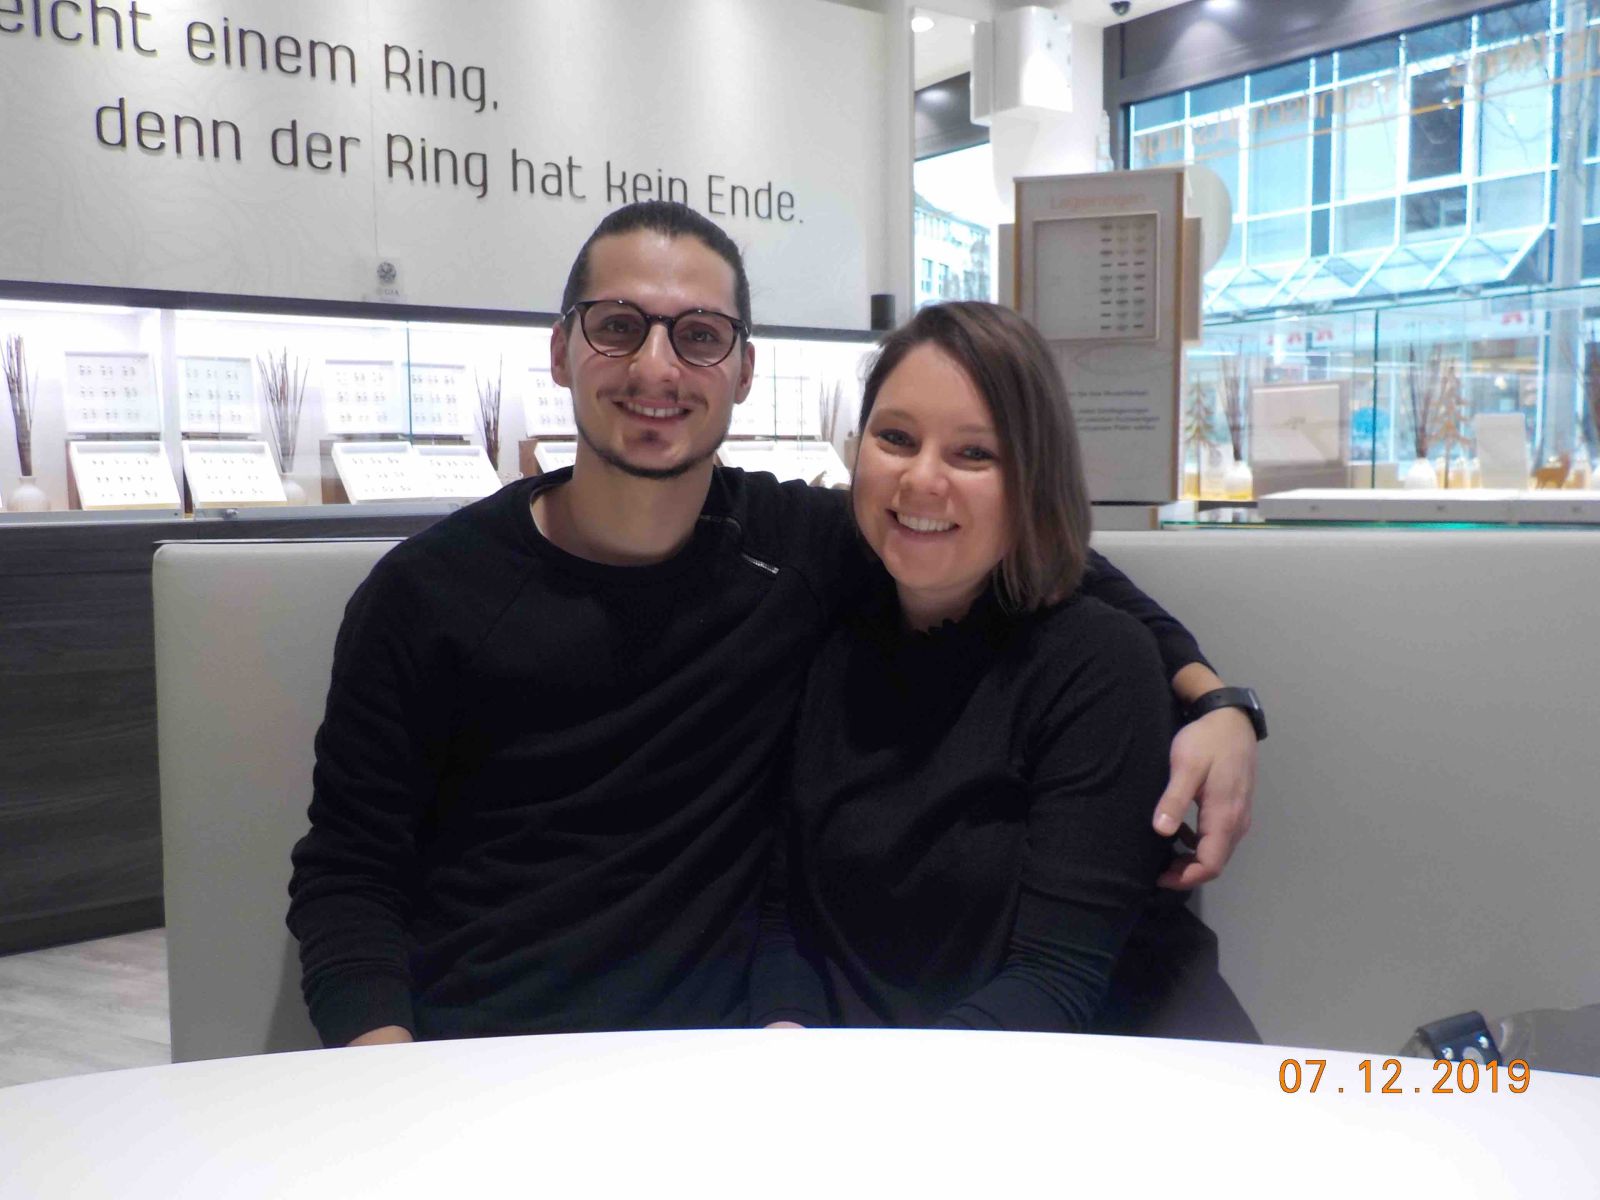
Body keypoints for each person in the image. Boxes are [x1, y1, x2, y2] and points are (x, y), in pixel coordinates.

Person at [287, 201, 1262, 1047]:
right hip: (478, 1054)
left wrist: (1215, 698)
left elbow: (1041, 558)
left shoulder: (794, 549)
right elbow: (347, 876)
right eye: (617, 326)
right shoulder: (428, 594)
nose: (657, 367)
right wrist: (390, 1072)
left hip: (722, 1063)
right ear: (559, 350)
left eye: (699, 335)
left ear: (743, 369)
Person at [751, 302, 1253, 1034]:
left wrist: (1220, 701)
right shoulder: (827, 633)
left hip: (1087, 1073)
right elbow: (782, 913)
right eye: (896, 439)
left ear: (1032, 480)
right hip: (860, 1070)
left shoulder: (1097, 665)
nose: (922, 479)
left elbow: (1057, 982)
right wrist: (786, 1035)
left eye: (973, 453)